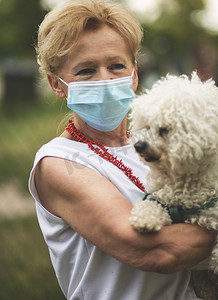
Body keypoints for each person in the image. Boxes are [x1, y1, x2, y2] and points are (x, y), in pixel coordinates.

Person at [29, 1, 215, 299]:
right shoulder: (58, 164)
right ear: (57, 84)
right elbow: (159, 251)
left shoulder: (159, 144)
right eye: (86, 70)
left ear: (135, 74)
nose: (105, 79)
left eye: (116, 66)